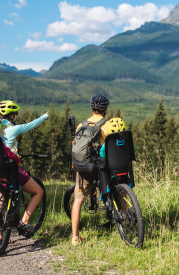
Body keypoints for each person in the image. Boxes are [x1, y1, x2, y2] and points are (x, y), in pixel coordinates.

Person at [0, 100, 49, 236]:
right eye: (15, 115)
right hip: (10, 168)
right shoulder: (12, 129)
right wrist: (44, 117)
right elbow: (29, 126)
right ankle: (23, 222)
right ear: (11, 116)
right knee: (38, 192)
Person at [70, 94, 117, 245]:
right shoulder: (107, 125)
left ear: (92, 108)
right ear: (105, 110)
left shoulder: (81, 125)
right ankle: (126, 218)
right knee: (117, 189)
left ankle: (75, 237)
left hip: (84, 167)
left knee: (78, 200)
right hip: (102, 168)